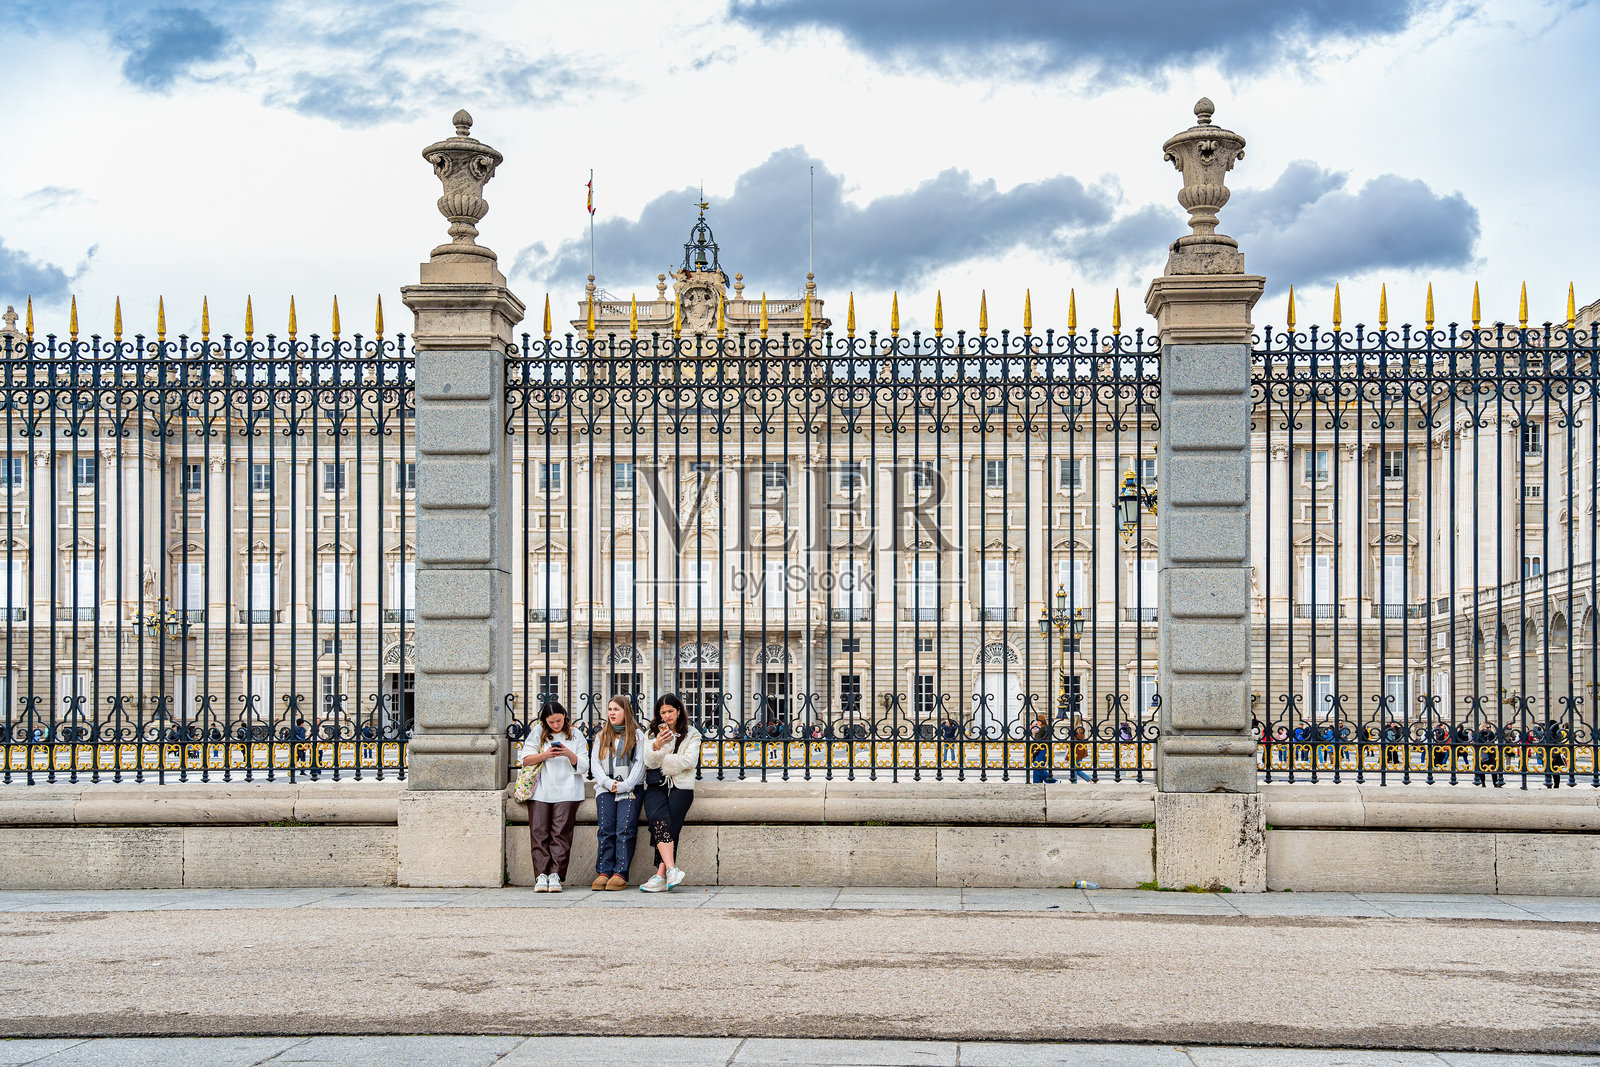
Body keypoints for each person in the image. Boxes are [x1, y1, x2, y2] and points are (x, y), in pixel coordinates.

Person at [638, 692, 703, 893]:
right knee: (657, 820)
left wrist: (664, 761)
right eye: (663, 712)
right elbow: (649, 762)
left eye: (671, 711)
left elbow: (690, 761)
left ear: (679, 711)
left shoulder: (692, 734)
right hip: (656, 785)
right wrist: (657, 745)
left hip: (681, 786)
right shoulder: (651, 734)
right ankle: (672, 870)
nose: (667, 716)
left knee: (671, 826)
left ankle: (661, 875)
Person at [519, 700, 585, 892]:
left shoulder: (576, 734)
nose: (556, 725)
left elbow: (584, 765)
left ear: (564, 716)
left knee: (561, 834)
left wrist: (568, 754)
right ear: (544, 721)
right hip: (541, 789)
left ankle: (555, 874)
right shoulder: (538, 732)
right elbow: (525, 760)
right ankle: (541, 875)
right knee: (538, 832)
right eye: (551, 722)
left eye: (559, 720)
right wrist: (546, 755)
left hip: (568, 790)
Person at [590, 694, 644, 890]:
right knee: (606, 827)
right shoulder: (602, 735)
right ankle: (604, 871)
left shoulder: (637, 735)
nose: (612, 713)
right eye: (610, 709)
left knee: (625, 828)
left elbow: (640, 763)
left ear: (626, 712)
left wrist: (625, 785)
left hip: (630, 787)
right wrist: (607, 782)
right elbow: (595, 763)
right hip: (606, 787)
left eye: (617, 709)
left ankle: (620, 872)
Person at [1028, 710, 1057, 784]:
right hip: (1041, 748)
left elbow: (1037, 738)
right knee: (1036, 768)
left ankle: (1053, 781)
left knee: (1038, 767)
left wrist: (1035, 746)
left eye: (1038, 721)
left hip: (1041, 749)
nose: (1037, 722)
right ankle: (1037, 783)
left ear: (1041, 721)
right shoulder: (1042, 727)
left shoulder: (1043, 728)